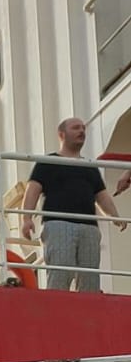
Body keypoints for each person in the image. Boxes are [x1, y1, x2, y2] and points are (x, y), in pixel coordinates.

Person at [21, 117, 129, 290]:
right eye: (76, 128)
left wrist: (115, 216)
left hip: (89, 227)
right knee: (61, 273)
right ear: (62, 134)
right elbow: (32, 190)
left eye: (83, 128)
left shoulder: (90, 166)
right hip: (58, 224)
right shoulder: (48, 162)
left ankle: (88, 306)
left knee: (90, 278)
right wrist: (26, 219)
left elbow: (102, 196)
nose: (81, 131)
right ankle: (56, 305)